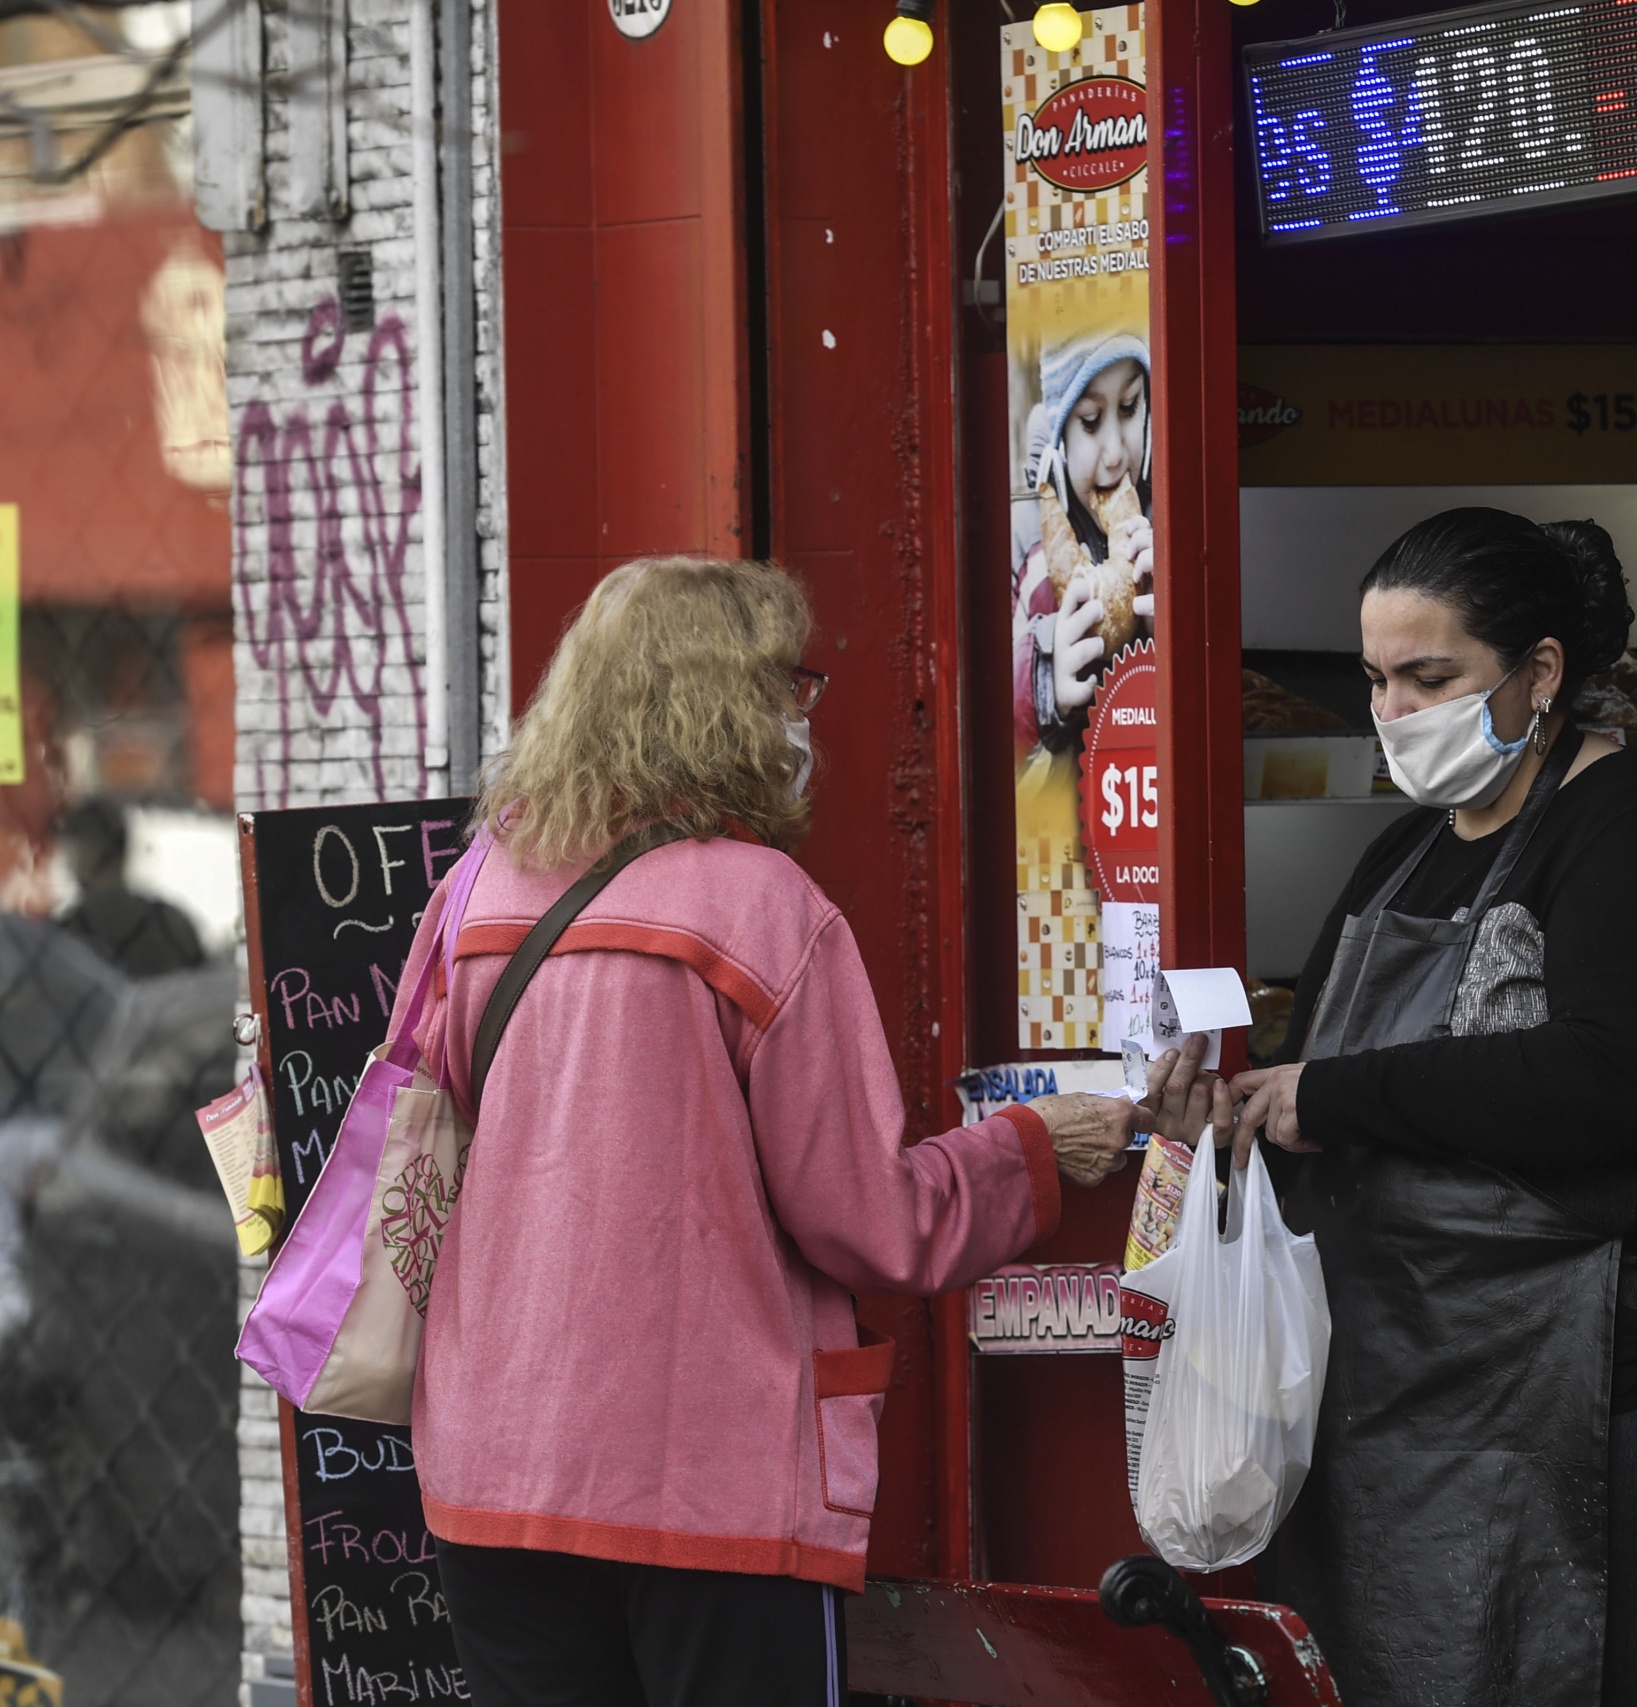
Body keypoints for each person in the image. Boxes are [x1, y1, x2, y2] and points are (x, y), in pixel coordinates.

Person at [394, 557, 1185, 1707]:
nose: (800, 715)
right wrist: (1033, 1148)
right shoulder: (763, 907)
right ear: (725, 705)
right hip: (703, 1489)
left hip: (491, 1473)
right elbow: (867, 1221)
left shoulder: (475, 895)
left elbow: (432, 1136)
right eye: (785, 686)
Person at [1228, 509, 1637, 1707]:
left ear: (1540, 671)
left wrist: (1337, 1095)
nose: (1394, 711)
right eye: (1377, 680)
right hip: (1409, 1400)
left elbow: (1614, 1081)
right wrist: (1244, 1108)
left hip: (1615, 1391)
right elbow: (1315, 1069)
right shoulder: (1401, 855)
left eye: (1430, 678)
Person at [1013, 332, 1155, 755]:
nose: (1114, 454)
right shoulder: (1026, 542)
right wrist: (1042, 679)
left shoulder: (1175, 524)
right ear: (1060, 434)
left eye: (1129, 407)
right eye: (1091, 421)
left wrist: (1177, 632)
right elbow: (982, 726)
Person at [55, 800, 203, 977]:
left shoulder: (70, 931)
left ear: (89, 855)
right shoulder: (172, 922)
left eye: (71, 853)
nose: (68, 865)